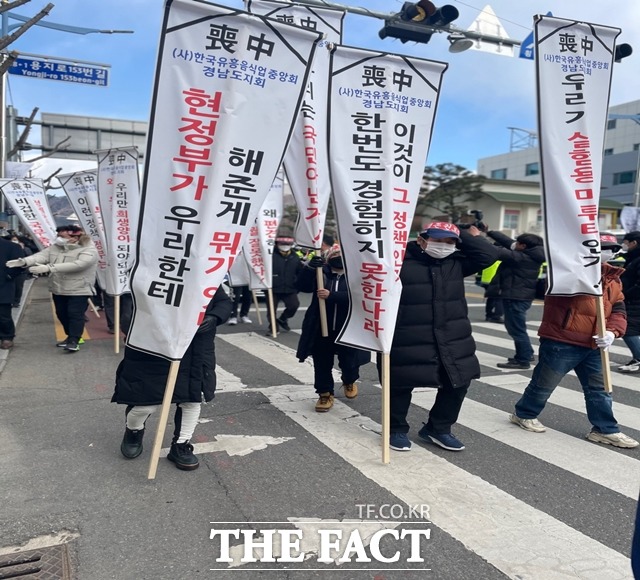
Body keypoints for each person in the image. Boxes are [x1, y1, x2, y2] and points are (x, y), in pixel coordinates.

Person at [509, 233, 638, 449]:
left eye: (613, 248)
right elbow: (552, 291)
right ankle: (524, 414)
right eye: (604, 247)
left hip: (595, 344)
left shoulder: (613, 278)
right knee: (543, 384)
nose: (609, 252)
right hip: (562, 341)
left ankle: (605, 429)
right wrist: (582, 275)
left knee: (600, 390)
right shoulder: (566, 273)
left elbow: (619, 307)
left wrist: (612, 332)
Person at [386, 222, 499, 452]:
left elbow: (489, 254)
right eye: (438, 240)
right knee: (400, 382)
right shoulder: (398, 261)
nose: (443, 246)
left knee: (457, 382)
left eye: (450, 242)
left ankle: (438, 428)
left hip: (452, 335)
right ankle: (395, 428)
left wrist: (460, 231)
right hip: (408, 333)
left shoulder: (457, 263)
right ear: (421, 239)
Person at [112, 286, 233, 470]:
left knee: (191, 400)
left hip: (195, 348)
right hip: (152, 346)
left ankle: (181, 445)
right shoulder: (151, 267)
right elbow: (130, 305)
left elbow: (223, 301)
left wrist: (215, 317)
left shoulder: (204, 269)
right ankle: (134, 430)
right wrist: (131, 328)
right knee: (145, 403)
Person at [296, 245, 369, 412]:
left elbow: (361, 297)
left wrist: (332, 296)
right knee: (322, 362)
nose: (338, 257)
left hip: (348, 328)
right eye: (335, 254)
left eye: (341, 254)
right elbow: (302, 286)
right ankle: (324, 393)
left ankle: (349, 380)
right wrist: (309, 268)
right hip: (321, 326)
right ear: (328, 258)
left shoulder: (359, 275)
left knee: (350, 361)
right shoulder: (320, 273)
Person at [6, 225, 99, 352]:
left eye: (63, 236)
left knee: (74, 314)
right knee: (61, 313)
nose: (59, 239)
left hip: (79, 288)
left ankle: (74, 340)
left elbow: (79, 265)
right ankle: (71, 335)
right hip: (58, 287)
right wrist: (24, 261)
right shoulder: (56, 248)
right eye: (58, 236)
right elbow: (41, 256)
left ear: (75, 237)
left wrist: (49, 268)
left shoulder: (88, 249)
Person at [484, 230, 546, 369]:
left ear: (523, 246)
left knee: (516, 329)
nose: (514, 244)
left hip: (515, 297)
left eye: (517, 243)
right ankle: (527, 353)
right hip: (521, 297)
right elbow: (508, 242)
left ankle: (522, 359)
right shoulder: (533, 254)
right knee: (518, 328)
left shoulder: (522, 257)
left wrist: (475, 237)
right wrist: (488, 231)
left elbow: (495, 250)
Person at [267, 235, 302, 334]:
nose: (285, 246)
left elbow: (299, 272)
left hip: (290, 287)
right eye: (282, 244)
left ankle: (283, 318)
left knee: (294, 305)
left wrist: (297, 284)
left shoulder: (295, 256)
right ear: (277, 244)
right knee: (271, 310)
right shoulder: (270, 255)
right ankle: (273, 328)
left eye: (287, 244)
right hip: (272, 287)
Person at [617, 230, 640, 373]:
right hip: (633, 299)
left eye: (625, 243)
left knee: (628, 329)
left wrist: (625, 294)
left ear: (634, 243)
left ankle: (638, 358)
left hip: (634, 301)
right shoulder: (633, 257)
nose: (624, 245)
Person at [0, 236, 26, 349]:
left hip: (3, 286)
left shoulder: (11, 246)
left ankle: (7, 337)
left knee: (3, 315)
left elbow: (19, 265)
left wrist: (8, 276)